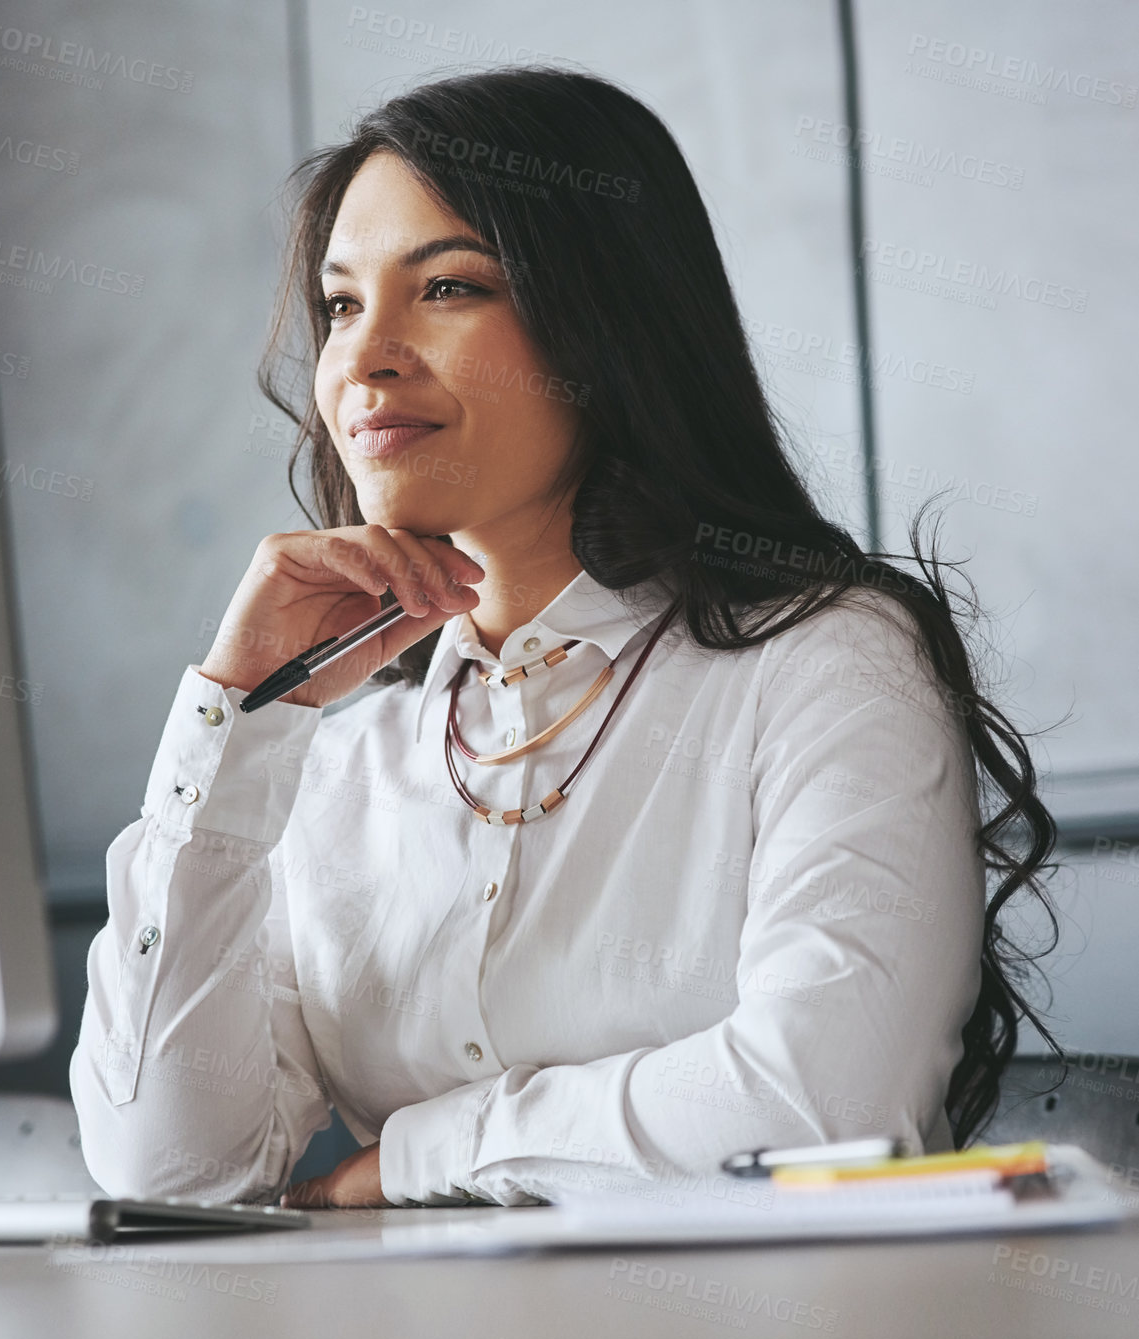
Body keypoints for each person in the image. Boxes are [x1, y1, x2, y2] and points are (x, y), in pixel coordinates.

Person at [70, 65, 1058, 1210]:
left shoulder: (822, 664)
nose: (363, 356)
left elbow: (821, 1102)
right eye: (341, 304)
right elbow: (171, 1168)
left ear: (604, 324)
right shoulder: (340, 763)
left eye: (445, 288)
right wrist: (232, 725)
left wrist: (421, 1159)